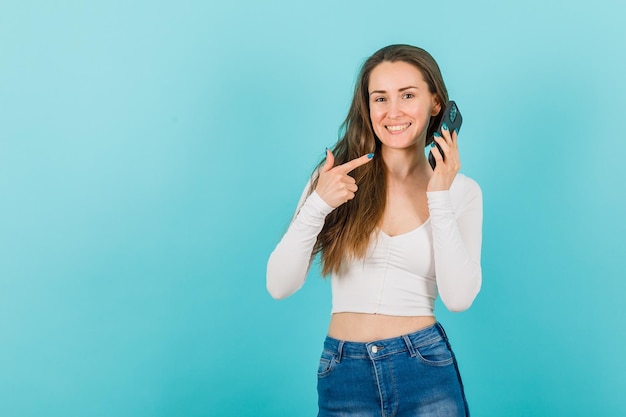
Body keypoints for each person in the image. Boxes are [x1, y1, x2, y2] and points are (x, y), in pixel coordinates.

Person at [266, 44, 482, 417]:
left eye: (408, 95)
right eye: (380, 98)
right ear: (366, 108)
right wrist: (319, 204)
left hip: (425, 367)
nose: (393, 112)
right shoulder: (335, 179)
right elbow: (279, 285)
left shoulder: (461, 192)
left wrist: (439, 197)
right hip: (344, 369)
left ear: (436, 104)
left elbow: (459, 298)